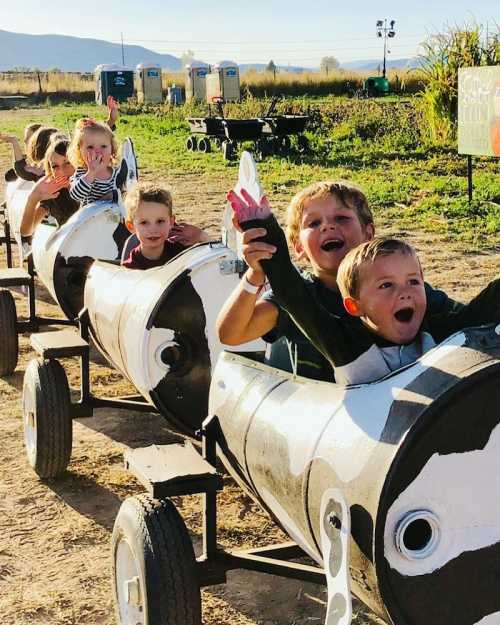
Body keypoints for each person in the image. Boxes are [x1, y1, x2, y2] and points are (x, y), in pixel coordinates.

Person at [223, 189, 500, 385]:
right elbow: (289, 295)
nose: (328, 227)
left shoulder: (427, 317)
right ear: (353, 306)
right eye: (385, 285)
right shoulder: (348, 346)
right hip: (325, 425)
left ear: (368, 233)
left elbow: (479, 318)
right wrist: (263, 240)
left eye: (341, 218)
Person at [122, 182, 209, 270]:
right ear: (131, 226)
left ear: (171, 222)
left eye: (160, 221)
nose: (153, 230)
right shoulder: (130, 269)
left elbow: (217, 262)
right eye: (144, 222)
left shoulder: (182, 253)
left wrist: (202, 236)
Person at [20, 135, 79, 236]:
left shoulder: (97, 184)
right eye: (55, 166)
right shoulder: (54, 194)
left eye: (68, 163)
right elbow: (26, 231)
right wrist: (33, 198)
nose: (62, 170)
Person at [68, 118, 123, 205]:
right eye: (90, 147)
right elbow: (75, 195)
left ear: (112, 149)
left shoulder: (118, 173)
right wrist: (91, 173)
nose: (97, 152)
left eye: (103, 146)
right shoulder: (82, 173)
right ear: (79, 151)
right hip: (90, 217)